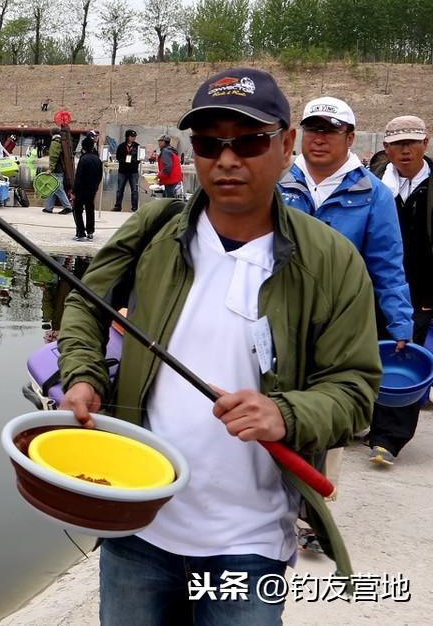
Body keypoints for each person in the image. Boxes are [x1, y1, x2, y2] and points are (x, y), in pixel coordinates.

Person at [58, 67, 381, 624]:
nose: (227, 160)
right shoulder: (155, 228)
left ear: (285, 147)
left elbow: (354, 389)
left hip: (248, 545)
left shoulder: (331, 260)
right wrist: (83, 376)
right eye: (210, 143)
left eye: (250, 140)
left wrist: (284, 412)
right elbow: (87, 303)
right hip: (137, 526)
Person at [278, 97, 413, 352]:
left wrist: (400, 323)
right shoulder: (276, 183)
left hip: (340, 322)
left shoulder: (374, 194)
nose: (319, 138)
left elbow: (387, 264)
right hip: (279, 313)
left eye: (330, 130)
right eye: (313, 129)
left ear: (350, 138)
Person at [366, 115, 433, 466]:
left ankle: (388, 439)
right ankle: (362, 419)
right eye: (397, 144)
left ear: (426, 143)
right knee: (363, 355)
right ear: (386, 148)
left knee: (404, 357)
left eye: (412, 142)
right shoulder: (369, 186)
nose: (405, 150)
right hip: (370, 287)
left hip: (420, 294)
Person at [71, 136, 102, 241]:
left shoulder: (83, 159)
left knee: (77, 210)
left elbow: (79, 177)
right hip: (92, 189)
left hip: (81, 190)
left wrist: (74, 191)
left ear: (83, 147)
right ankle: (90, 231)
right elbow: (100, 175)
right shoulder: (97, 159)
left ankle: (80, 232)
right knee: (90, 210)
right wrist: (96, 187)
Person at [41, 127, 73, 214]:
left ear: (51, 133)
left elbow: (54, 156)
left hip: (57, 169)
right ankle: (49, 207)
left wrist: (50, 168)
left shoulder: (55, 142)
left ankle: (67, 207)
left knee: (58, 187)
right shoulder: (62, 141)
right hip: (61, 168)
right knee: (53, 187)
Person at [112, 129, 140, 212]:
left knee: (134, 190)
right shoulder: (121, 146)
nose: (133, 138)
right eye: (132, 136)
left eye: (134, 137)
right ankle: (118, 206)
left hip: (133, 171)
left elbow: (139, 158)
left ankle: (134, 207)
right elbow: (118, 157)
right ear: (127, 137)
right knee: (120, 189)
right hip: (123, 171)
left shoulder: (137, 146)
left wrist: (133, 161)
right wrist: (124, 160)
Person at [156, 134, 183, 198]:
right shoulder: (171, 150)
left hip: (170, 179)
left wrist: (159, 175)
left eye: (160, 141)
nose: (158, 143)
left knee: (169, 199)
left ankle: (173, 208)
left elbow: (168, 166)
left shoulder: (166, 151)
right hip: (174, 178)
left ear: (164, 142)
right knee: (169, 197)